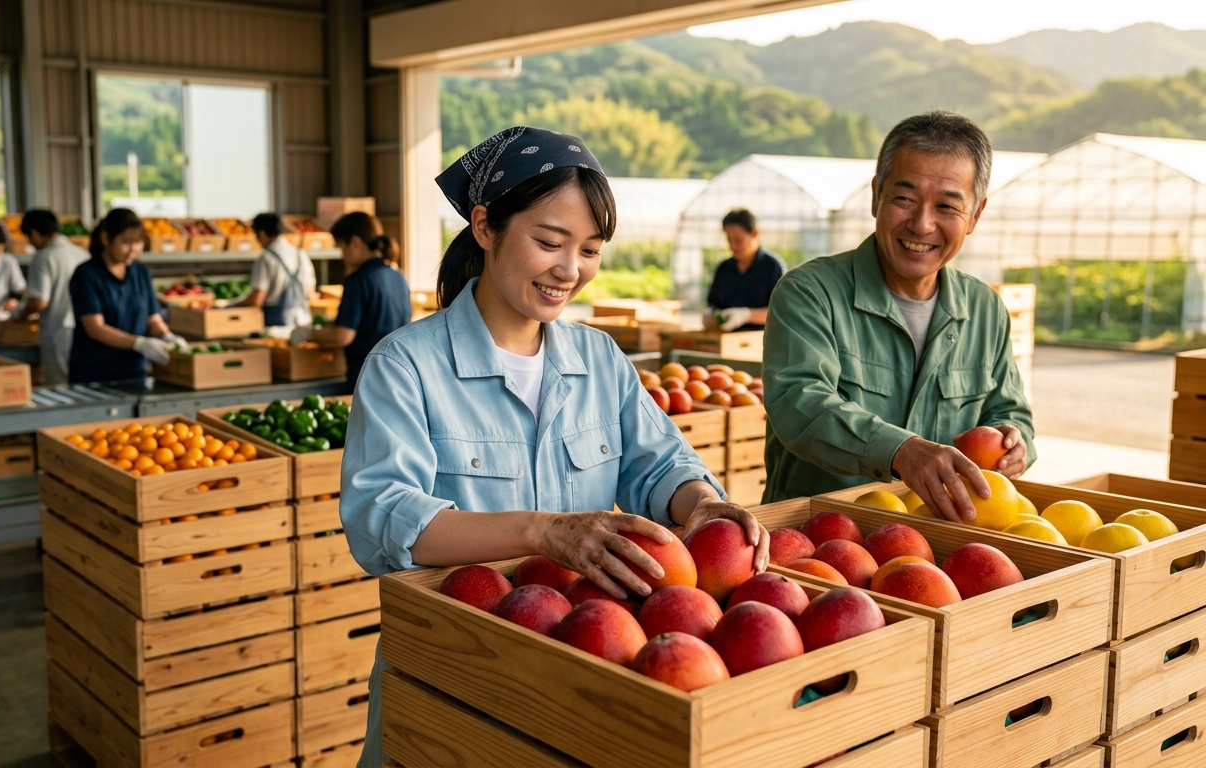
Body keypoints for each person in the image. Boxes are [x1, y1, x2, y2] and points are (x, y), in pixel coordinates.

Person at [340, 127, 771, 768]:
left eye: (590, 250)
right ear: (484, 227)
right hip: (456, 676)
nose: (571, 270)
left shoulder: (599, 359)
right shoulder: (405, 366)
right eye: (549, 242)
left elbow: (659, 462)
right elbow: (383, 519)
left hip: (583, 671)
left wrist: (700, 504)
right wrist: (543, 532)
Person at [761, 111, 1035, 522]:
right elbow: (800, 403)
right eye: (904, 199)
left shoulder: (985, 309)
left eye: (947, 206)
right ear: (876, 197)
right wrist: (900, 451)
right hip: (821, 539)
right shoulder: (810, 293)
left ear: (975, 215)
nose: (922, 224)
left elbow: (1009, 411)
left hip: (941, 542)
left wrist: (1015, 441)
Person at [67, 208, 185, 385]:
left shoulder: (140, 273)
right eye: (126, 242)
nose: (133, 249)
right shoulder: (87, 274)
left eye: (138, 243)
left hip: (135, 372)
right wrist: (139, 344)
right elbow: (95, 328)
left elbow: (153, 319)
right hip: (95, 374)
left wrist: (167, 336)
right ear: (106, 238)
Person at [307, 212, 410, 390]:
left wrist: (309, 333)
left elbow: (343, 336)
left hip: (367, 377)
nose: (342, 257)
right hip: (398, 375)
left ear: (355, 242)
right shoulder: (397, 275)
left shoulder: (358, 279)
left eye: (342, 248)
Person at [19, 210, 90, 385]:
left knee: (60, 385)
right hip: (86, 327)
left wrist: (20, 315)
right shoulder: (82, 254)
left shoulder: (43, 257)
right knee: (82, 383)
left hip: (58, 329)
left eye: (29, 238)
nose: (30, 243)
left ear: (34, 232)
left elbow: (39, 302)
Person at [704, 208, 785, 331]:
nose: (732, 246)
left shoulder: (773, 267)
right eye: (729, 240)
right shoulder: (724, 269)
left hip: (761, 338)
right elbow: (713, 304)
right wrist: (710, 315)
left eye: (738, 240)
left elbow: (782, 312)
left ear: (754, 234)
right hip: (726, 337)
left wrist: (747, 315)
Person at [237, 213, 317, 328]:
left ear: (261, 234)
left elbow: (257, 299)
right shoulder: (301, 255)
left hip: (276, 324)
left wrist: (234, 305)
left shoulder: (266, 258)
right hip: (303, 321)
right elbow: (310, 293)